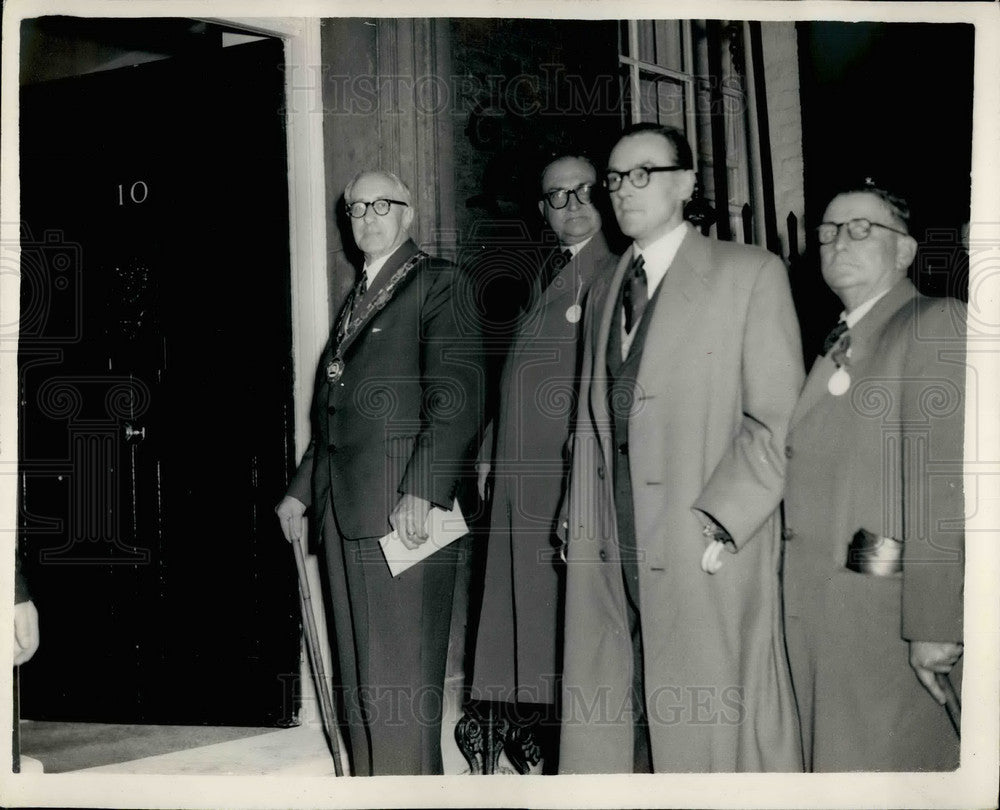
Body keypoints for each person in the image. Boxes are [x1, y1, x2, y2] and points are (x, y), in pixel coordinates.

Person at [558, 123, 804, 773]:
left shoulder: (749, 274)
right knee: (621, 702)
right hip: (612, 534)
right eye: (613, 179)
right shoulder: (606, 287)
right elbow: (591, 421)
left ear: (686, 184)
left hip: (704, 539)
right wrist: (575, 511)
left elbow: (777, 420)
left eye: (643, 173)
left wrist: (722, 519)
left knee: (706, 716)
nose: (622, 191)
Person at [275, 169, 483, 776]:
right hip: (346, 511)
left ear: (408, 213)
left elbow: (457, 399)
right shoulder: (362, 294)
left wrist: (421, 491)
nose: (366, 216)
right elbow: (337, 414)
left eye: (381, 205)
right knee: (361, 684)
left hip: (403, 514)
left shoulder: (438, 283)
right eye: (355, 207)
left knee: (398, 685)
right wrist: (300, 492)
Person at [782, 183, 965, 771]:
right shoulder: (840, 340)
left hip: (886, 617)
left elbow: (941, 487)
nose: (839, 241)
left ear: (906, 251)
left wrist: (935, 624)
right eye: (829, 231)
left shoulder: (933, 321)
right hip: (824, 614)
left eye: (862, 228)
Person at [469, 153, 617, 769]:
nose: (573, 204)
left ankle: (560, 749)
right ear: (543, 211)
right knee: (524, 617)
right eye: (558, 196)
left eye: (585, 191)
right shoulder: (551, 273)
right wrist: (487, 449)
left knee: (560, 623)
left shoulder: (613, 274)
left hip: (563, 477)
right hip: (518, 472)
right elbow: (522, 373)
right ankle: (526, 732)